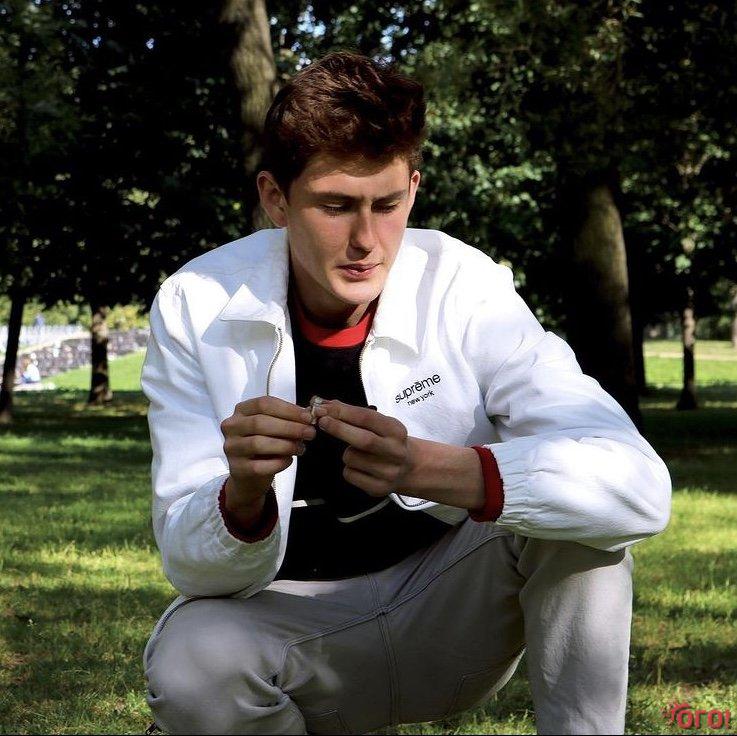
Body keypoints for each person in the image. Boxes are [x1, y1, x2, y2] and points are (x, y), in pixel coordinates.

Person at [140, 50, 671, 735]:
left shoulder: (464, 283)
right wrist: (239, 496)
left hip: (451, 616)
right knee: (188, 664)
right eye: (335, 206)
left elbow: (638, 489)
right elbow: (188, 567)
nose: (366, 240)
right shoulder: (195, 302)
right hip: (288, 630)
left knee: (583, 519)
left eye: (386, 205)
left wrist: (428, 467)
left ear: (413, 190)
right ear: (275, 199)